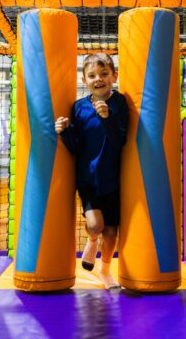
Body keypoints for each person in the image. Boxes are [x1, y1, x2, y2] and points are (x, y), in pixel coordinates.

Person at [55, 53, 128, 290]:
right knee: (96, 225)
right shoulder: (79, 107)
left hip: (113, 178)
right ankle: (91, 241)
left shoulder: (120, 103)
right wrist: (64, 131)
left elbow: (121, 139)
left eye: (104, 74)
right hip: (88, 177)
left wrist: (107, 117)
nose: (99, 79)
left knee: (111, 233)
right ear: (84, 80)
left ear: (114, 76)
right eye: (92, 75)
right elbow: (76, 146)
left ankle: (105, 270)